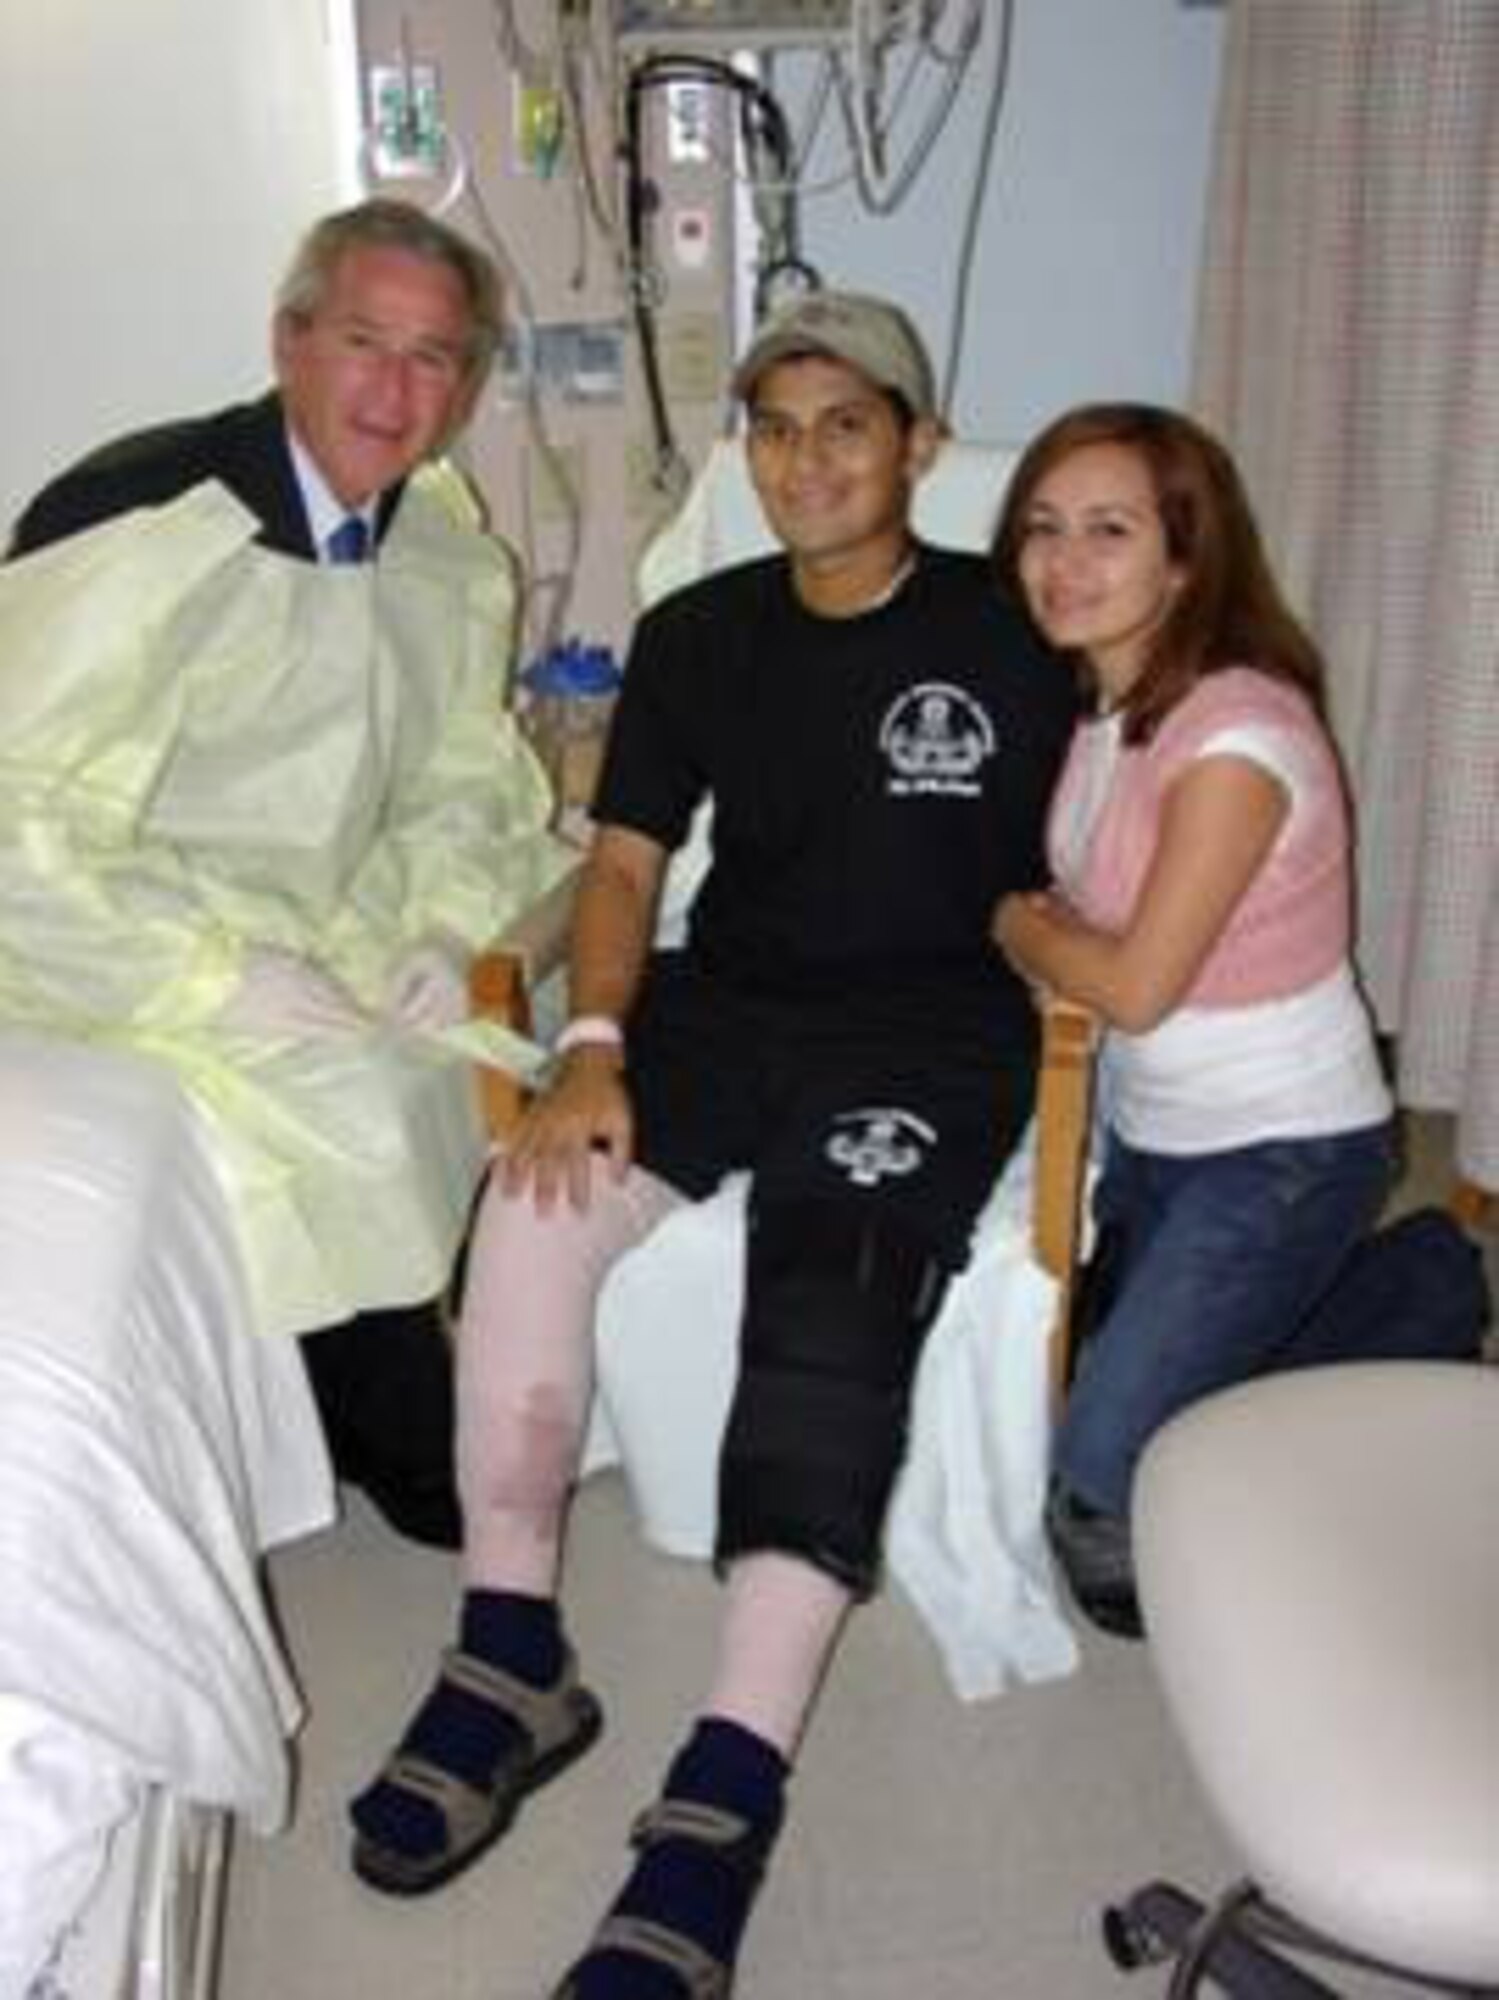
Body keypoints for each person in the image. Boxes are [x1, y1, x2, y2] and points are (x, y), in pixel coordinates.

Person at [348, 291, 1078, 1996]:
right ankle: (507, 1647)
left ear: (917, 441)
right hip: (723, 1007)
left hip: (930, 1032)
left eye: (845, 422)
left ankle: (726, 1785)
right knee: (529, 1209)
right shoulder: (696, 632)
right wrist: (589, 1045)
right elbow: (620, 865)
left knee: (825, 1312)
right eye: (773, 426)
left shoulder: (1015, 626)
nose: (803, 457)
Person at [2, 198, 569, 1546]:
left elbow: (459, 780)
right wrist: (205, 973)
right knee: (355, 1103)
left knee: (465, 1029)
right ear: (288, 341)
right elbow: (18, 811)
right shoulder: (142, 524)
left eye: (435, 358)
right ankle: (397, 1433)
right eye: (365, 342)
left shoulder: (433, 539)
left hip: (325, 902)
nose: (395, 390)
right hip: (109, 918)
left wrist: (436, 925)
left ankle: (413, 1378)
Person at [990, 402, 1399, 1638]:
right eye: (1042, 528)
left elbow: (1129, 982)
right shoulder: (1107, 703)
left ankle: (1413, 1300)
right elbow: (1091, 920)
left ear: (1184, 555)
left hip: (1285, 1152)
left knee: (1095, 1489)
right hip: (1158, 1141)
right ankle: (1347, 1297)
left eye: (1107, 530)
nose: (1063, 561)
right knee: (1045, 1392)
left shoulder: (1234, 733)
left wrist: (1014, 922)